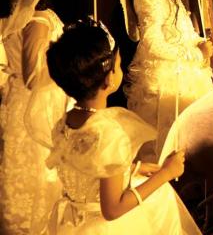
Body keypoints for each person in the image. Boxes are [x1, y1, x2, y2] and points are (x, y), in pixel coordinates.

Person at [43, 19, 200, 234]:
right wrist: (166, 173)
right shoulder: (108, 133)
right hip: (106, 225)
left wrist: (132, 169)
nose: (121, 69)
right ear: (108, 79)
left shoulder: (65, 121)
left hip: (73, 221)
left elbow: (87, 169)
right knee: (162, 197)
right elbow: (113, 209)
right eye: (118, 65)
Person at [0, 0, 69, 234]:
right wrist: (72, 68)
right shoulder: (38, 21)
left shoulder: (16, 15)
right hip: (36, 104)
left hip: (22, 101)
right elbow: (33, 75)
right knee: (37, 172)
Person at [122, 0, 213, 162]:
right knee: (166, 131)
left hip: (185, 66)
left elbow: (182, 26)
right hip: (167, 74)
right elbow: (152, 43)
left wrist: (199, 42)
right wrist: (194, 54)